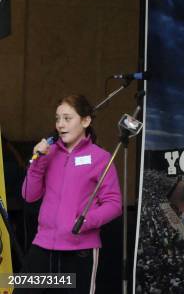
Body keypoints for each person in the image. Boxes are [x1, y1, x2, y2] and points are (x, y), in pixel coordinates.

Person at [18, 94, 122, 293]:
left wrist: (86, 220)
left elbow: (114, 203)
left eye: (67, 118)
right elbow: (28, 195)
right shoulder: (49, 154)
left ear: (85, 121)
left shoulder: (100, 157)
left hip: (79, 250)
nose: (60, 125)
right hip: (43, 245)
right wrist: (38, 160)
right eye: (57, 119)